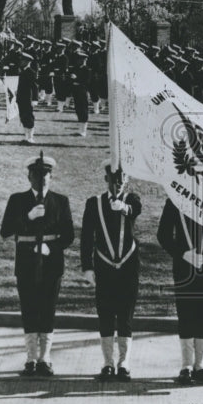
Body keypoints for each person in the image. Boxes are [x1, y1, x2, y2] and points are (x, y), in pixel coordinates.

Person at [0, 153, 75, 377]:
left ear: (51, 177)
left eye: (46, 174)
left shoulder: (60, 201)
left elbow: (69, 234)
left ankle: (45, 358)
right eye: (37, 174)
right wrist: (28, 218)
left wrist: (52, 247)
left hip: (51, 262)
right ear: (29, 176)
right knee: (29, 308)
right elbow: (5, 232)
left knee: (48, 308)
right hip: (26, 260)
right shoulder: (17, 200)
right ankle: (31, 358)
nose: (42, 179)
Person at [80, 161, 142, 381]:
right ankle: (107, 363)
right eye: (113, 180)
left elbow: (136, 210)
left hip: (128, 267)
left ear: (127, 181)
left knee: (125, 316)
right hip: (104, 267)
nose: (117, 185)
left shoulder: (131, 200)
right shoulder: (94, 203)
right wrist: (87, 267)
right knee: (105, 314)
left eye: (121, 180)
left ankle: (124, 362)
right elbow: (87, 237)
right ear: (106, 179)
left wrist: (123, 208)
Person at [156, 198, 203, 385]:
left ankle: (200, 365)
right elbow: (163, 235)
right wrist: (182, 253)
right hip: (184, 265)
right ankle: (186, 366)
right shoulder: (175, 199)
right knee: (185, 313)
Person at [16, 52, 39, 144]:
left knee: (29, 117)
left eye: (22, 60)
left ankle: (30, 137)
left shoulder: (31, 72)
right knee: (23, 117)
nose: (20, 62)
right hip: (21, 98)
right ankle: (26, 137)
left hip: (28, 98)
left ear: (27, 61)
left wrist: (35, 99)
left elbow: (35, 87)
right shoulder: (22, 71)